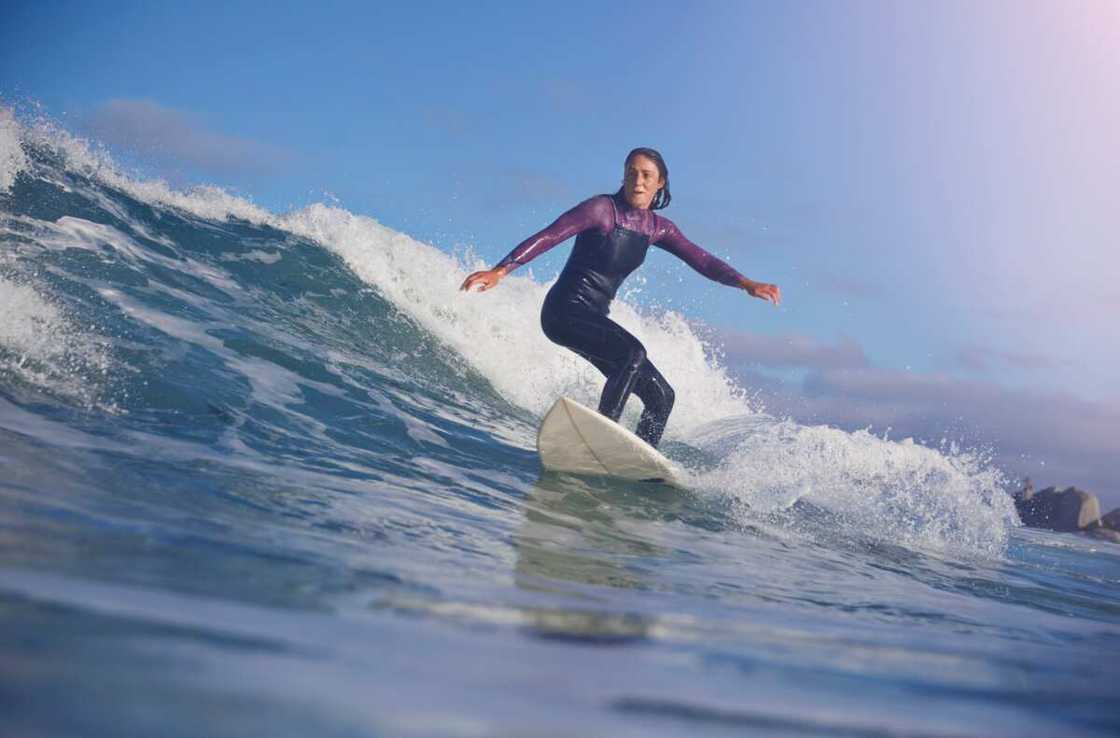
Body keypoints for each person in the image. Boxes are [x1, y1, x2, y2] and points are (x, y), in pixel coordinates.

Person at [460, 147, 780, 448]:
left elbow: (701, 259)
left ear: (660, 183)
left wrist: (744, 282)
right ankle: (600, 437)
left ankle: (639, 460)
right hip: (563, 312)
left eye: (645, 175)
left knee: (662, 397)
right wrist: (501, 271)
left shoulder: (658, 228)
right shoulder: (601, 210)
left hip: (594, 320)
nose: (637, 181)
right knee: (633, 353)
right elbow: (550, 235)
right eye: (631, 173)